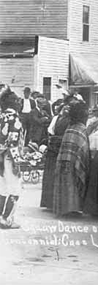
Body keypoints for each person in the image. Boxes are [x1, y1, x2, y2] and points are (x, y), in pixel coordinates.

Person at [53, 100, 90, 217]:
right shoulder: (82, 128)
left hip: (64, 159)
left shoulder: (69, 127)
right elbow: (84, 148)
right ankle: (72, 209)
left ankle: (63, 209)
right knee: (73, 184)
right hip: (75, 161)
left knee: (65, 183)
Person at [41, 98, 72, 210]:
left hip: (61, 146)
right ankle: (49, 202)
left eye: (68, 108)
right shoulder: (56, 118)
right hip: (55, 147)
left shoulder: (70, 120)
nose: (66, 110)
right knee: (52, 173)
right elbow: (50, 131)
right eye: (65, 108)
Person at [0, 87, 24, 229]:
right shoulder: (14, 119)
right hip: (9, 157)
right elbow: (13, 142)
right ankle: (6, 219)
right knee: (15, 188)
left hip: (0, 158)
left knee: (2, 188)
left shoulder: (1, 117)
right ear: (14, 103)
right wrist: (18, 162)